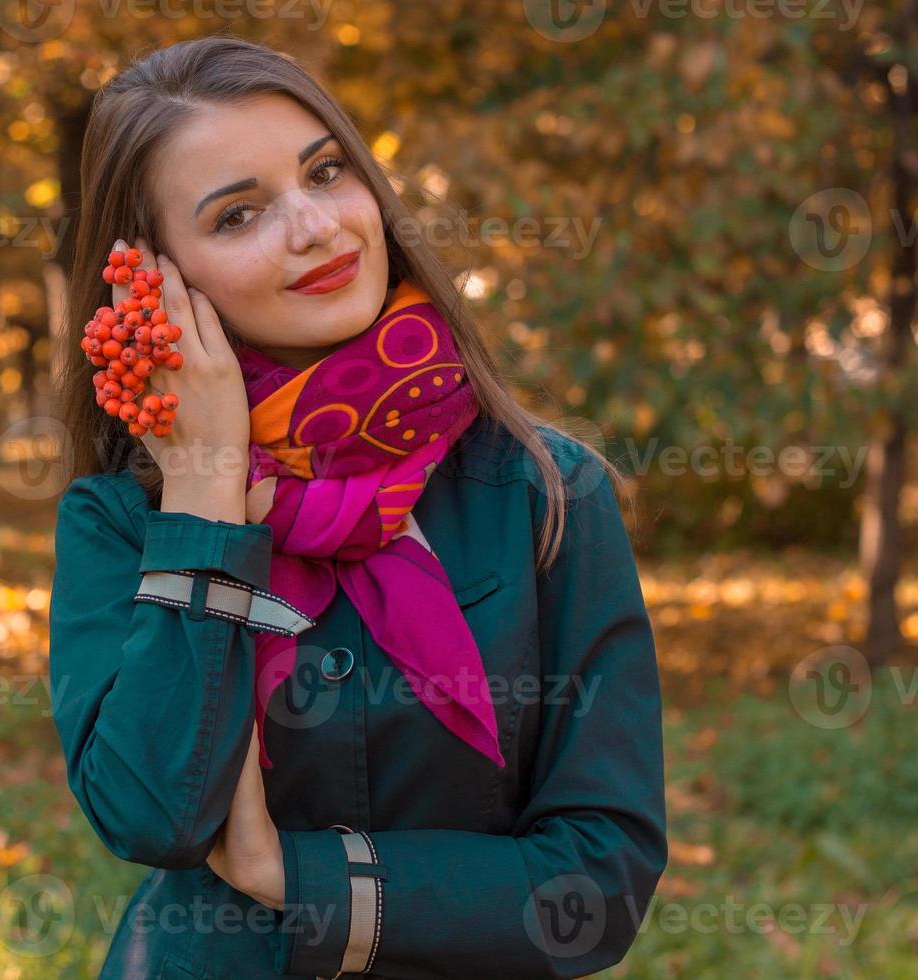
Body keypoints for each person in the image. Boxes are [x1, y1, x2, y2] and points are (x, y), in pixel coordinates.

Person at [48, 34, 666, 979]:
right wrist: (208, 492)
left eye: (325, 172)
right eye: (240, 214)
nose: (315, 226)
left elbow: (600, 880)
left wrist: (297, 876)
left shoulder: (545, 492)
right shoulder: (119, 520)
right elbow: (153, 813)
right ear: (155, 280)